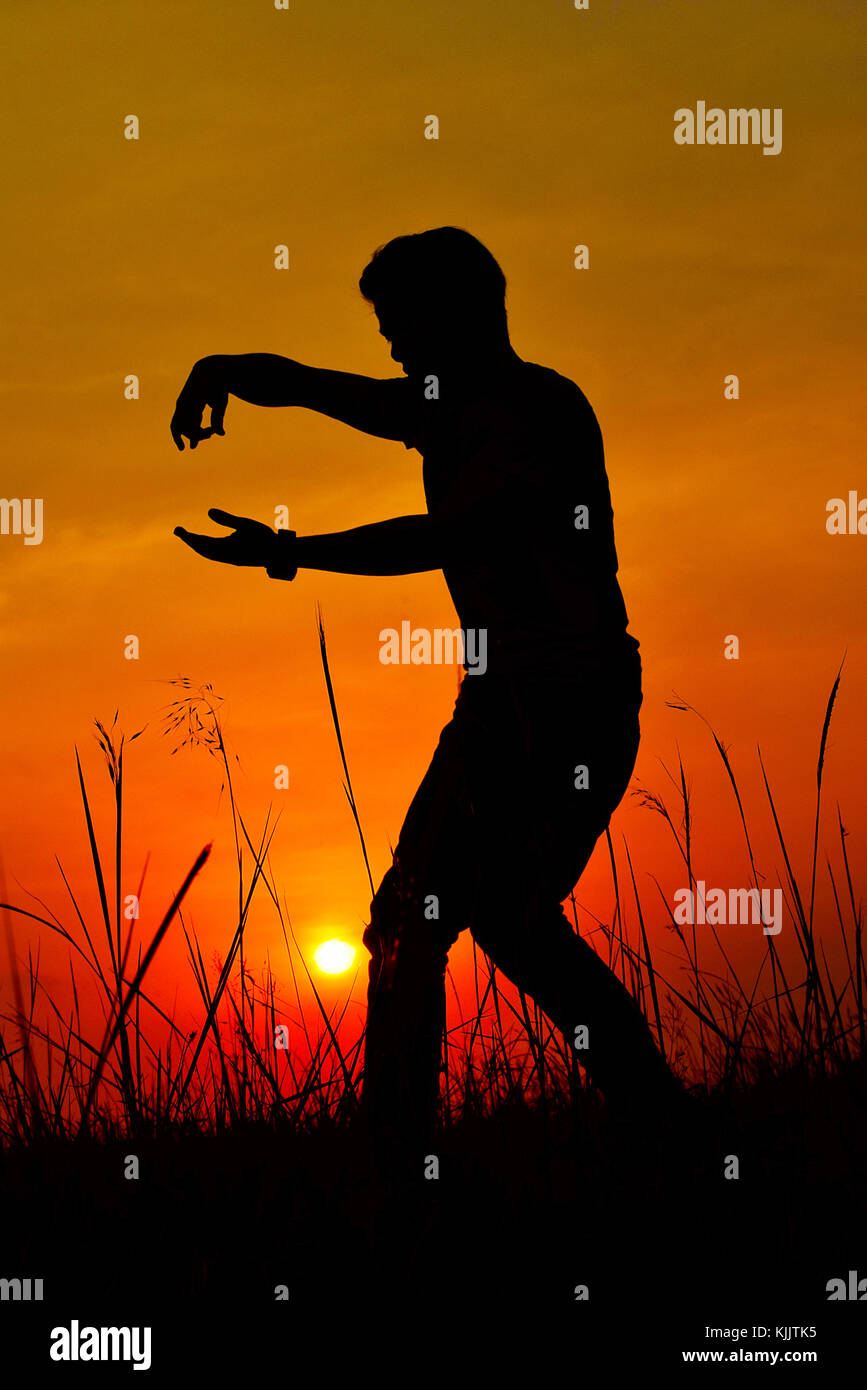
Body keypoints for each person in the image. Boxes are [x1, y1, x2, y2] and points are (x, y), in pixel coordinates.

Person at [171, 226, 690, 1185]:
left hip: (555, 701)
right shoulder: (455, 406)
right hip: (522, 698)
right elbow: (340, 392)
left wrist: (288, 552)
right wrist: (232, 367)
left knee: (429, 919)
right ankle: (653, 1125)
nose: (394, 348)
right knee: (491, 917)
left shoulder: (528, 414)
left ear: (460, 313)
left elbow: (435, 538)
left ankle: (395, 1161)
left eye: (403, 324)